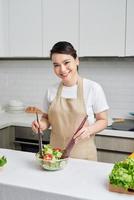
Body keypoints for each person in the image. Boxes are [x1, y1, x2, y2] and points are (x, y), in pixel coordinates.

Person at [32, 41, 109, 161]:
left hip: (84, 158)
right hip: (55, 157)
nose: (62, 69)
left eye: (66, 62)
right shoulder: (51, 91)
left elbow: (103, 120)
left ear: (77, 60)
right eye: (56, 65)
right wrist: (41, 125)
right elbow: (46, 118)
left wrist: (89, 130)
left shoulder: (93, 88)